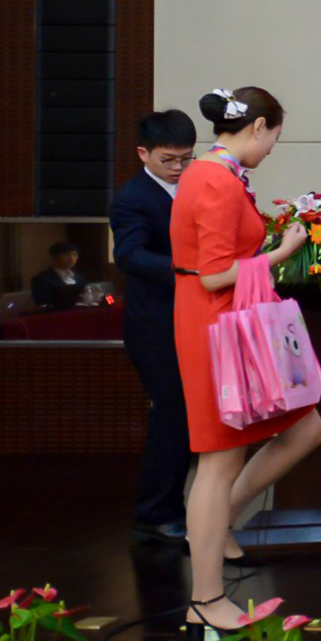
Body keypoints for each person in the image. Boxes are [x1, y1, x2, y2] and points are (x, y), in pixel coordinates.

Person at [172, 86, 321, 631]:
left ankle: (213, 528)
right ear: (259, 126)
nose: (272, 148)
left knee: (304, 429)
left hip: (223, 319)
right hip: (217, 324)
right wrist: (282, 252)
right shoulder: (215, 179)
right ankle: (206, 597)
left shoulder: (213, 173)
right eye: (274, 137)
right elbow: (215, 274)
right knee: (218, 461)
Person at [111, 110, 196, 545]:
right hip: (155, 325)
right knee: (172, 416)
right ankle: (155, 515)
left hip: (189, 319)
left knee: (185, 417)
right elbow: (129, 255)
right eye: (169, 160)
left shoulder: (193, 186)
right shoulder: (132, 198)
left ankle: (176, 509)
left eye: (186, 158)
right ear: (144, 153)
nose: (179, 168)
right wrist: (188, 268)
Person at [31, 243, 86, 312]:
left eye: (74, 255)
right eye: (66, 255)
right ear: (54, 257)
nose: (71, 258)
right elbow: (43, 304)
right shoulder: (41, 279)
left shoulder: (79, 276)